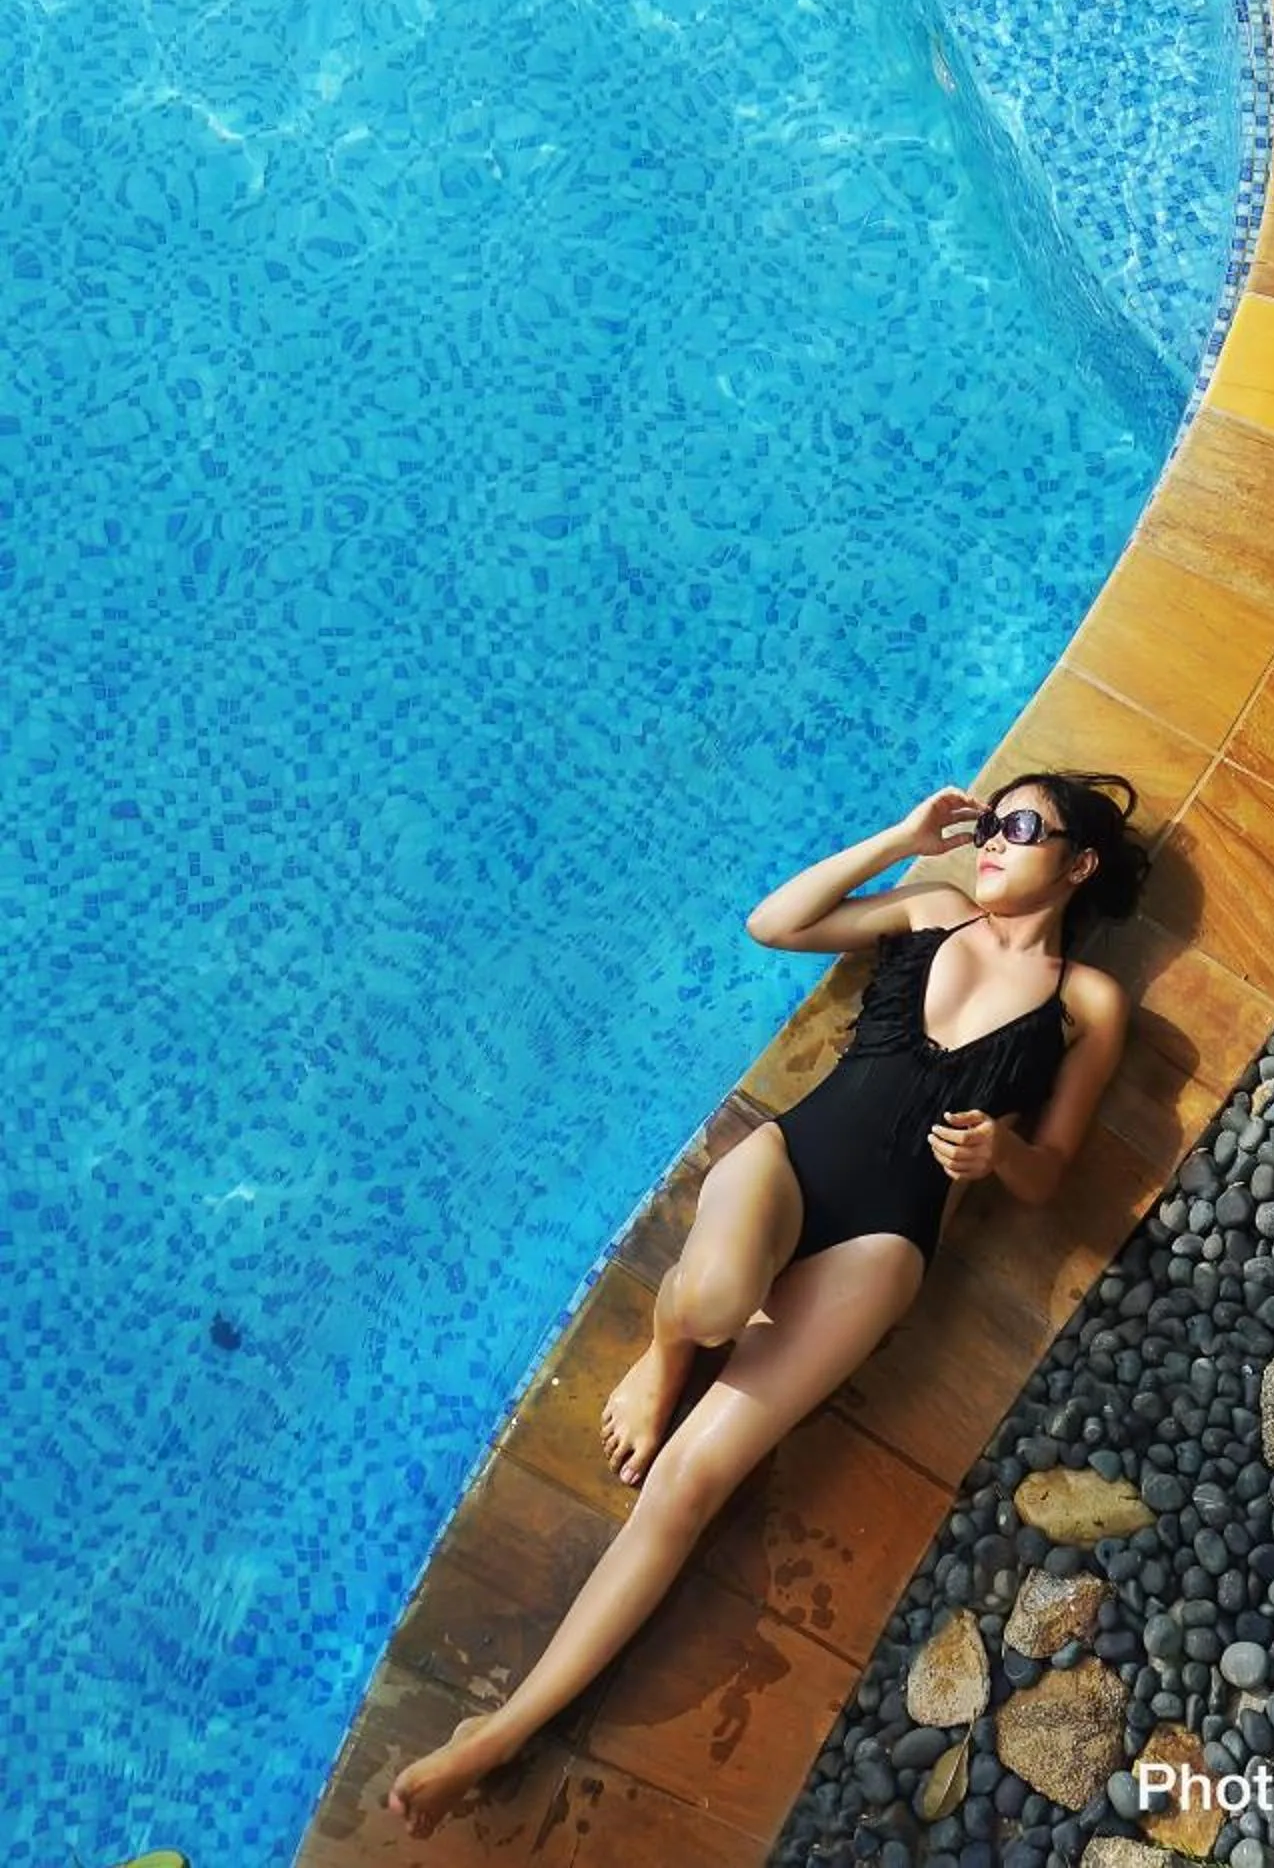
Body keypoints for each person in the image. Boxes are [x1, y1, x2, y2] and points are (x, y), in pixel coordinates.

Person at [387, 768, 1146, 1834]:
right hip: (788, 1164)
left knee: (694, 1480)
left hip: (885, 1242)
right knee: (712, 1300)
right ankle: (667, 1354)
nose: (990, 838)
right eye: (988, 820)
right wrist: (902, 837)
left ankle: (502, 1730)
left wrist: (1000, 1155)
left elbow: (1049, 1173)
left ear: (1078, 864)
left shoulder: (1087, 1003)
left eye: (1019, 827)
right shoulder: (930, 910)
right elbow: (774, 925)